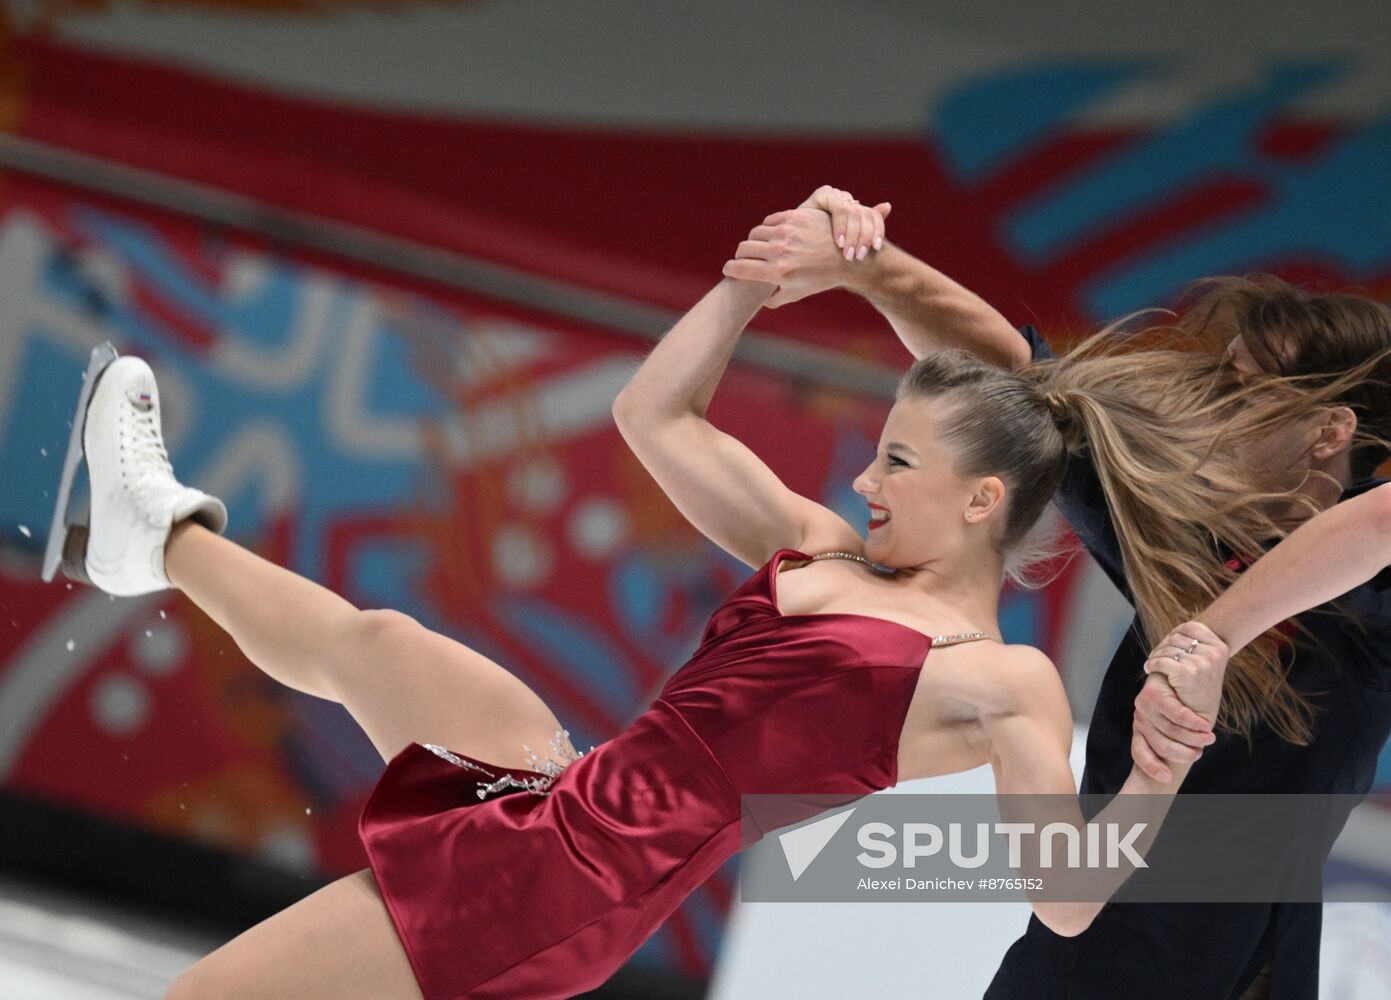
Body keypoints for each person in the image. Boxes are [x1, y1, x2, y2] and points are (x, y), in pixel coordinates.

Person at [49, 217, 1383, 1000]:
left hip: (559, 880)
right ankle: (156, 533)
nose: (860, 475)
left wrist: (1157, 756)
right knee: (381, 643)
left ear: (982, 504)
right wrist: (788, 273)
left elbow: (1070, 891)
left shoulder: (998, 676)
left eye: (899, 463)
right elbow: (657, 414)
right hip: (560, 800)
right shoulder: (832, 544)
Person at [726, 188, 1391, 998]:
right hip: (1075, 974)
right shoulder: (1175, 533)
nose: (1213, 408)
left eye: (1244, 393)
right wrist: (872, 268)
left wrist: (1202, 642)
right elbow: (1010, 383)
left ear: (1329, 432)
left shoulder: (1372, 600)